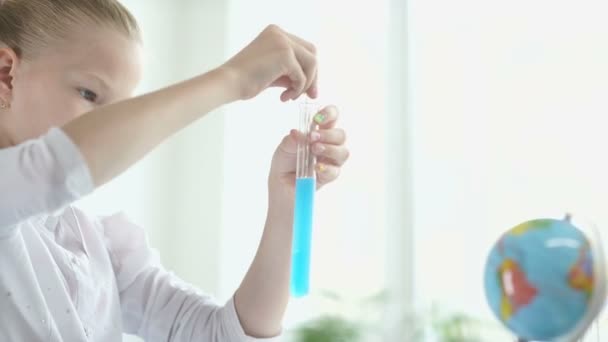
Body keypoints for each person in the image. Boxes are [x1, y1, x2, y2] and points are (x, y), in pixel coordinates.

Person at [0, 0, 350, 341]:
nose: (119, 128)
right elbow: (57, 168)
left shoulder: (96, 247)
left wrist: (285, 198)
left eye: (126, 110)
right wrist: (232, 79)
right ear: (7, 74)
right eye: (90, 93)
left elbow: (220, 334)